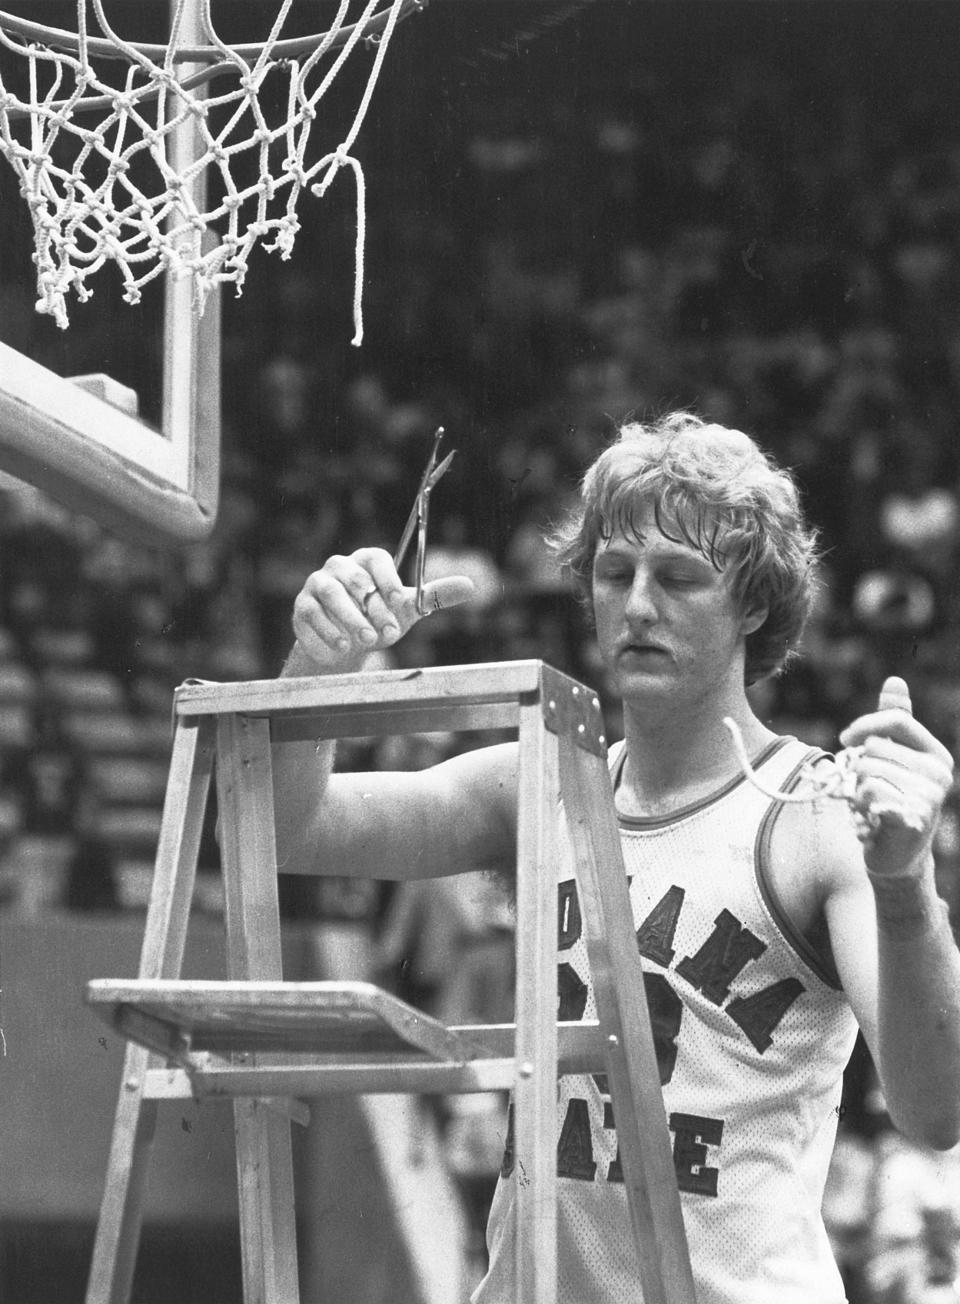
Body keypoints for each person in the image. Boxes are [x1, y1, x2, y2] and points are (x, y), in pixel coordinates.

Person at [273, 412, 960, 1304]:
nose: (638, 605)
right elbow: (292, 826)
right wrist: (318, 667)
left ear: (754, 603)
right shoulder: (542, 780)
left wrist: (906, 890)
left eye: (679, 578)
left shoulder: (814, 815)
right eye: (614, 572)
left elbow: (936, 1110)